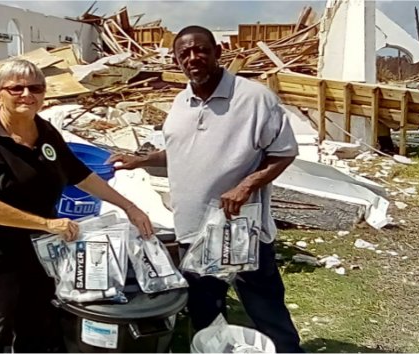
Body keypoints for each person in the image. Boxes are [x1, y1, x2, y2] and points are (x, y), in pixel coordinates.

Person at [107, 25, 303, 353]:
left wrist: (244, 186)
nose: (193, 58)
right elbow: (181, 152)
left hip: (241, 228)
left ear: (218, 52)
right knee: (205, 307)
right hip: (193, 230)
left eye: (201, 50)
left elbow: (283, 152)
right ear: (176, 60)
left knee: (264, 306)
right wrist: (140, 161)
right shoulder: (181, 103)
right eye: (184, 53)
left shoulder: (254, 98)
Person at [0, 59, 154, 353]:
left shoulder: (44, 132)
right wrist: (47, 224)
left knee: (37, 331)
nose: (26, 94)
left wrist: (129, 206)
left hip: (37, 256)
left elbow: (79, 174)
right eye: (16, 88)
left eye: (35, 88)